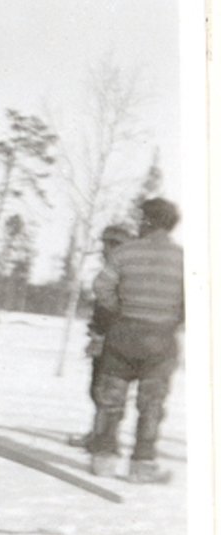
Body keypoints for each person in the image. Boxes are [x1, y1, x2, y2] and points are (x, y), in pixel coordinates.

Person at [86, 199, 184, 483]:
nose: (139, 223)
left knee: (111, 399)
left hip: (123, 335)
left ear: (149, 221)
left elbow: (101, 286)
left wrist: (118, 311)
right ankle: (141, 464)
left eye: (142, 219)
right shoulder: (183, 258)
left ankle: (103, 459)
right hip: (161, 339)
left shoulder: (125, 252)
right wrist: (174, 318)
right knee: (152, 404)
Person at [68, 224, 135, 449]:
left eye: (114, 244)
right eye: (105, 243)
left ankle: (105, 437)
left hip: (117, 339)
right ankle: (98, 433)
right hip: (103, 337)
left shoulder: (127, 273)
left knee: (109, 391)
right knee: (97, 388)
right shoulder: (110, 270)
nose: (106, 249)